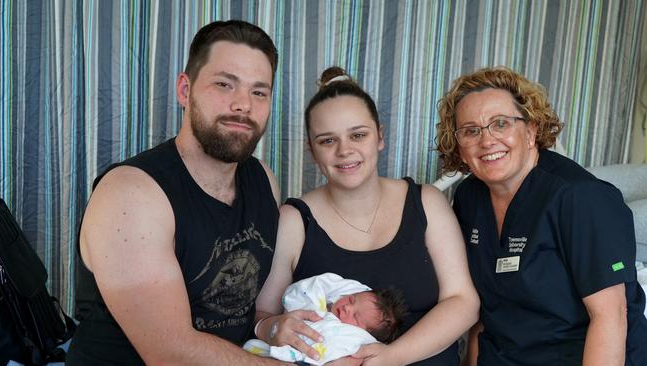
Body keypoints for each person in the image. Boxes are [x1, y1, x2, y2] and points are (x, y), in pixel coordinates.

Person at [67, 20, 288, 365]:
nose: (243, 104)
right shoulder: (130, 194)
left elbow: (248, 312)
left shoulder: (263, 181)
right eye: (224, 84)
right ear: (184, 90)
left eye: (259, 92)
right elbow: (172, 354)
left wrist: (274, 329)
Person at [253, 66, 480, 366]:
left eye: (358, 135)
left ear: (379, 137)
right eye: (327, 140)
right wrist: (272, 328)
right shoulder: (295, 221)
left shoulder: (426, 203)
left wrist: (389, 357)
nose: (345, 151)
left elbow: (463, 302)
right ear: (312, 151)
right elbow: (263, 316)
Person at [435, 66, 647, 365]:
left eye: (501, 124)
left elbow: (611, 316)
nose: (487, 141)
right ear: (459, 144)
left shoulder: (581, 198)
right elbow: (485, 315)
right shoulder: (470, 197)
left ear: (531, 130)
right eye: (471, 131)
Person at [244, 273, 407, 364]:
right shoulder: (322, 298)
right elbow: (301, 293)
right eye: (351, 300)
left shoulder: (350, 337)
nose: (347, 308)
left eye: (355, 317)